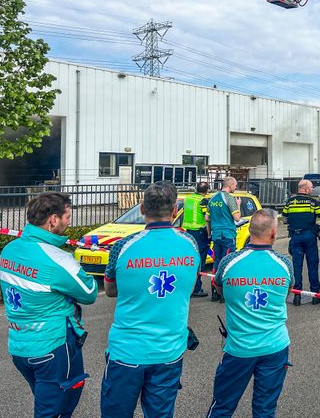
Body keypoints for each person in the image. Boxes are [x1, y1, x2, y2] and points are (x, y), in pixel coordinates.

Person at [101, 181, 199, 418]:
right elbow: (190, 282)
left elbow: (110, 289)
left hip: (126, 352)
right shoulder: (191, 244)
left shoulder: (123, 246)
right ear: (175, 210)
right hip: (169, 351)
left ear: (142, 209)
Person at [0, 192, 98, 418]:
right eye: (68, 216)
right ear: (53, 220)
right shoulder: (59, 259)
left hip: (19, 347)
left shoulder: (9, 250)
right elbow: (90, 292)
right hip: (53, 347)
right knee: (57, 408)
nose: (69, 221)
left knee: (47, 403)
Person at [206, 209, 293, 418]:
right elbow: (286, 293)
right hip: (275, 346)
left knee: (222, 406)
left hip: (239, 348)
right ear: (273, 233)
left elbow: (219, 289)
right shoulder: (285, 264)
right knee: (265, 409)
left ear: (250, 230)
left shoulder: (229, 262)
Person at [282, 179, 320, 306]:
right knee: (312, 265)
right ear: (306, 189)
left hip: (295, 236)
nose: (312, 189)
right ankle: (315, 294)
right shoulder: (313, 202)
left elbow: (285, 220)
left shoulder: (290, 202)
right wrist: (317, 229)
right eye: (311, 187)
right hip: (309, 236)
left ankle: (297, 296)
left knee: (297, 266)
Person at [209, 176, 242, 302]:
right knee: (228, 263)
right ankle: (224, 292)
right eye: (235, 185)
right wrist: (238, 205)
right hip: (228, 234)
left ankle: (214, 289)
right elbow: (237, 218)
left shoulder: (212, 198)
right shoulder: (229, 198)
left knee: (217, 262)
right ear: (230, 185)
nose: (236, 187)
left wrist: (209, 233)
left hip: (216, 235)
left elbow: (207, 218)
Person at [184, 181, 211, 298]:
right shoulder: (203, 201)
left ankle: (187, 286)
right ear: (207, 191)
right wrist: (209, 234)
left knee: (190, 259)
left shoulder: (188, 198)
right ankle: (197, 288)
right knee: (200, 261)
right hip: (200, 232)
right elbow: (207, 218)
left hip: (188, 232)